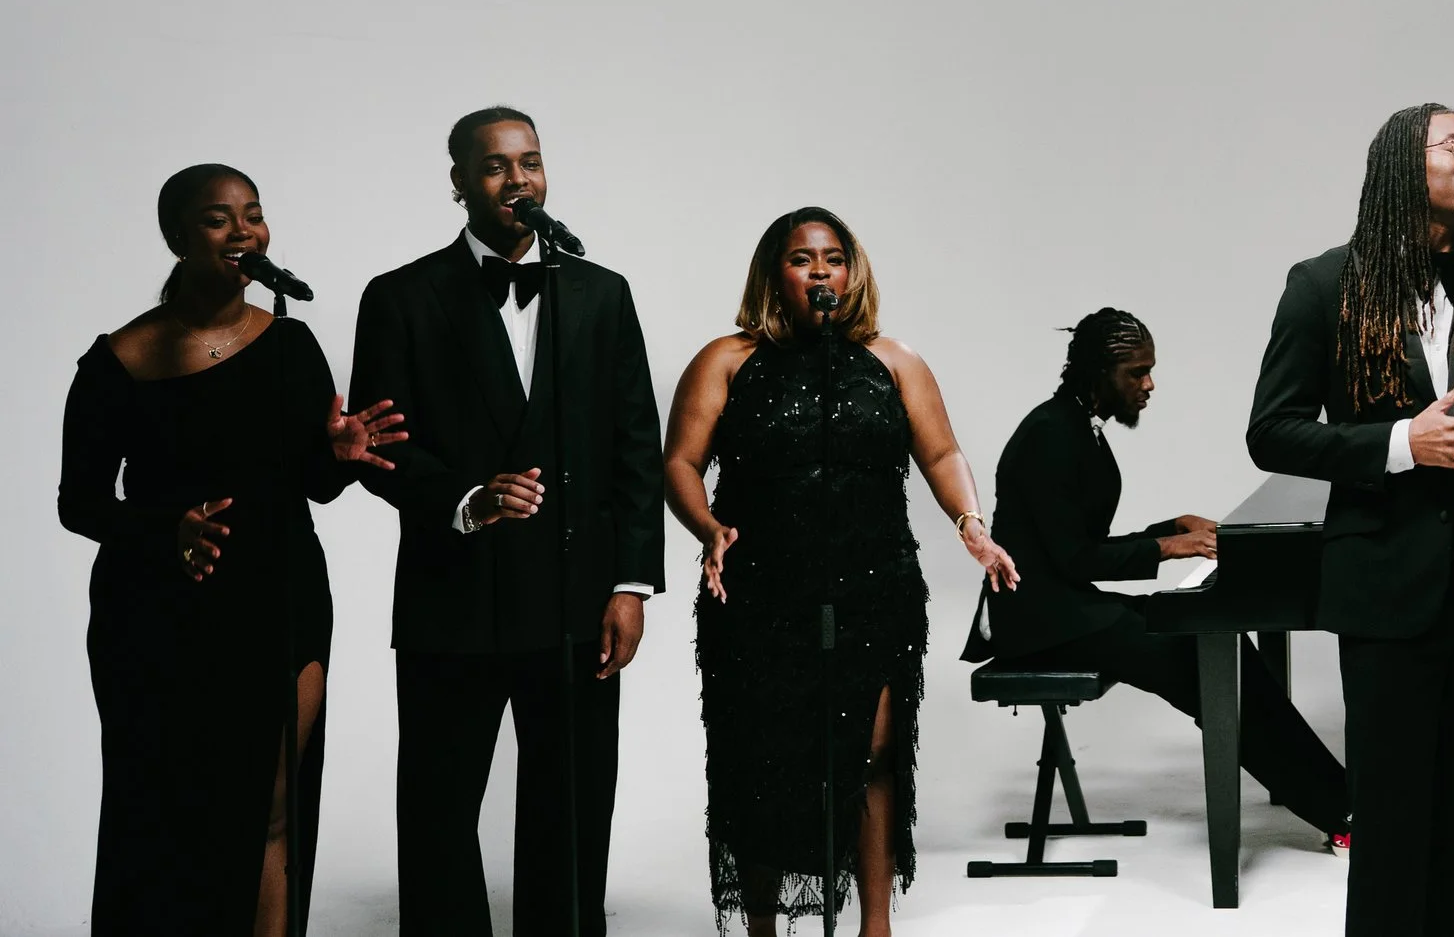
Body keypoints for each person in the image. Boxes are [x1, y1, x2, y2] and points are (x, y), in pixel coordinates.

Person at [1245, 102, 1454, 937]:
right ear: (1403, 165)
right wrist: (1403, 442)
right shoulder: (1322, 285)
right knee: (1391, 824)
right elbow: (1271, 430)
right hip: (1387, 583)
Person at [59, 164, 405, 937]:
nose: (245, 231)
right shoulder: (117, 361)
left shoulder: (292, 341)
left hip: (279, 597)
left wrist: (341, 455)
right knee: (165, 818)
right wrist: (163, 530)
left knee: (272, 811)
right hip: (154, 611)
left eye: (253, 213)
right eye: (220, 219)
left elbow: (312, 485)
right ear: (178, 238)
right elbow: (76, 504)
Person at [347, 107, 666, 937]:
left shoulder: (601, 293)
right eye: (494, 166)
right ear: (458, 183)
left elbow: (636, 446)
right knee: (439, 809)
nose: (517, 179)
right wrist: (466, 498)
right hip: (450, 600)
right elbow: (377, 449)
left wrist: (631, 584)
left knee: (572, 805)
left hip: (575, 598)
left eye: (530, 161)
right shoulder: (400, 297)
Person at [663, 206, 1017, 937]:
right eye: (801, 258)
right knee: (760, 759)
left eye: (834, 257)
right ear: (773, 272)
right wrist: (708, 528)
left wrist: (970, 525)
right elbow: (680, 461)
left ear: (851, 272)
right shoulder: (726, 358)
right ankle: (762, 925)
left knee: (875, 753)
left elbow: (942, 454)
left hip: (873, 585)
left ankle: (875, 925)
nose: (820, 270)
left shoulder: (894, 360)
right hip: (759, 589)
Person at [963, 308, 1351, 842]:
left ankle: (1337, 798)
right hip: (1037, 623)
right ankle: (1340, 814)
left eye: (1150, 370)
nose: (1149, 384)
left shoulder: (1077, 426)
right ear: (1099, 372)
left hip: (1068, 608)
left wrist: (1174, 526)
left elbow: (1080, 550)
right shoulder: (1051, 434)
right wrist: (1170, 546)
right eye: (1136, 373)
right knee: (1199, 658)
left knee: (1222, 646)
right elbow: (1076, 560)